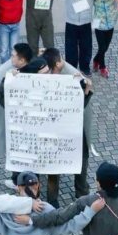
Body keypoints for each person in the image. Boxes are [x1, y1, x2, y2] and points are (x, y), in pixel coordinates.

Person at [34, 48, 94, 207]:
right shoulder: (67, 82)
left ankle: (55, 200)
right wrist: (86, 90)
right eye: (60, 60)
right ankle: (78, 195)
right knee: (73, 164)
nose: (63, 62)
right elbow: (79, 107)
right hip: (67, 131)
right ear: (56, 64)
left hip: (63, 131)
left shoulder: (65, 80)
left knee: (59, 167)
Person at [0, 43, 34, 187]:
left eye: (13, 56)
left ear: (22, 60)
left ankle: (17, 181)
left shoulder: (13, 78)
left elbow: (6, 103)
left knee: (17, 152)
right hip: (32, 123)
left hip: (18, 123)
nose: (11, 58)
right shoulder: (36, 72)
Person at [56, 0, 98, 76]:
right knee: (70, 48)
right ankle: (71, 69)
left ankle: (85, 68)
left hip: (86, 23)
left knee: (86, 47)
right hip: (71, 23)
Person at [91, 0, 118, 78]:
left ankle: (96, 59)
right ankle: (102, 67)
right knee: (102, 47)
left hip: (110, 25)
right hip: (99, 26)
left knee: (105, 47)